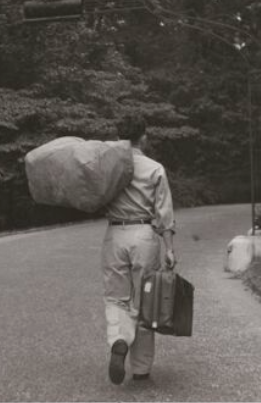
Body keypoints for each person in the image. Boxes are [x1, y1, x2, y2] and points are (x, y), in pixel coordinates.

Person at [102, 115, 177, 384]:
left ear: (118, 134)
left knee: (116, 297)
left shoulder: (107, 166)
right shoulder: (154, 168)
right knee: (146, 301)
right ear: (143, 137)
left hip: (115, 233)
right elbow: (164, 213)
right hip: (144, 234)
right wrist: (168, 248)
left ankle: (119, 339)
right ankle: (142, 368)